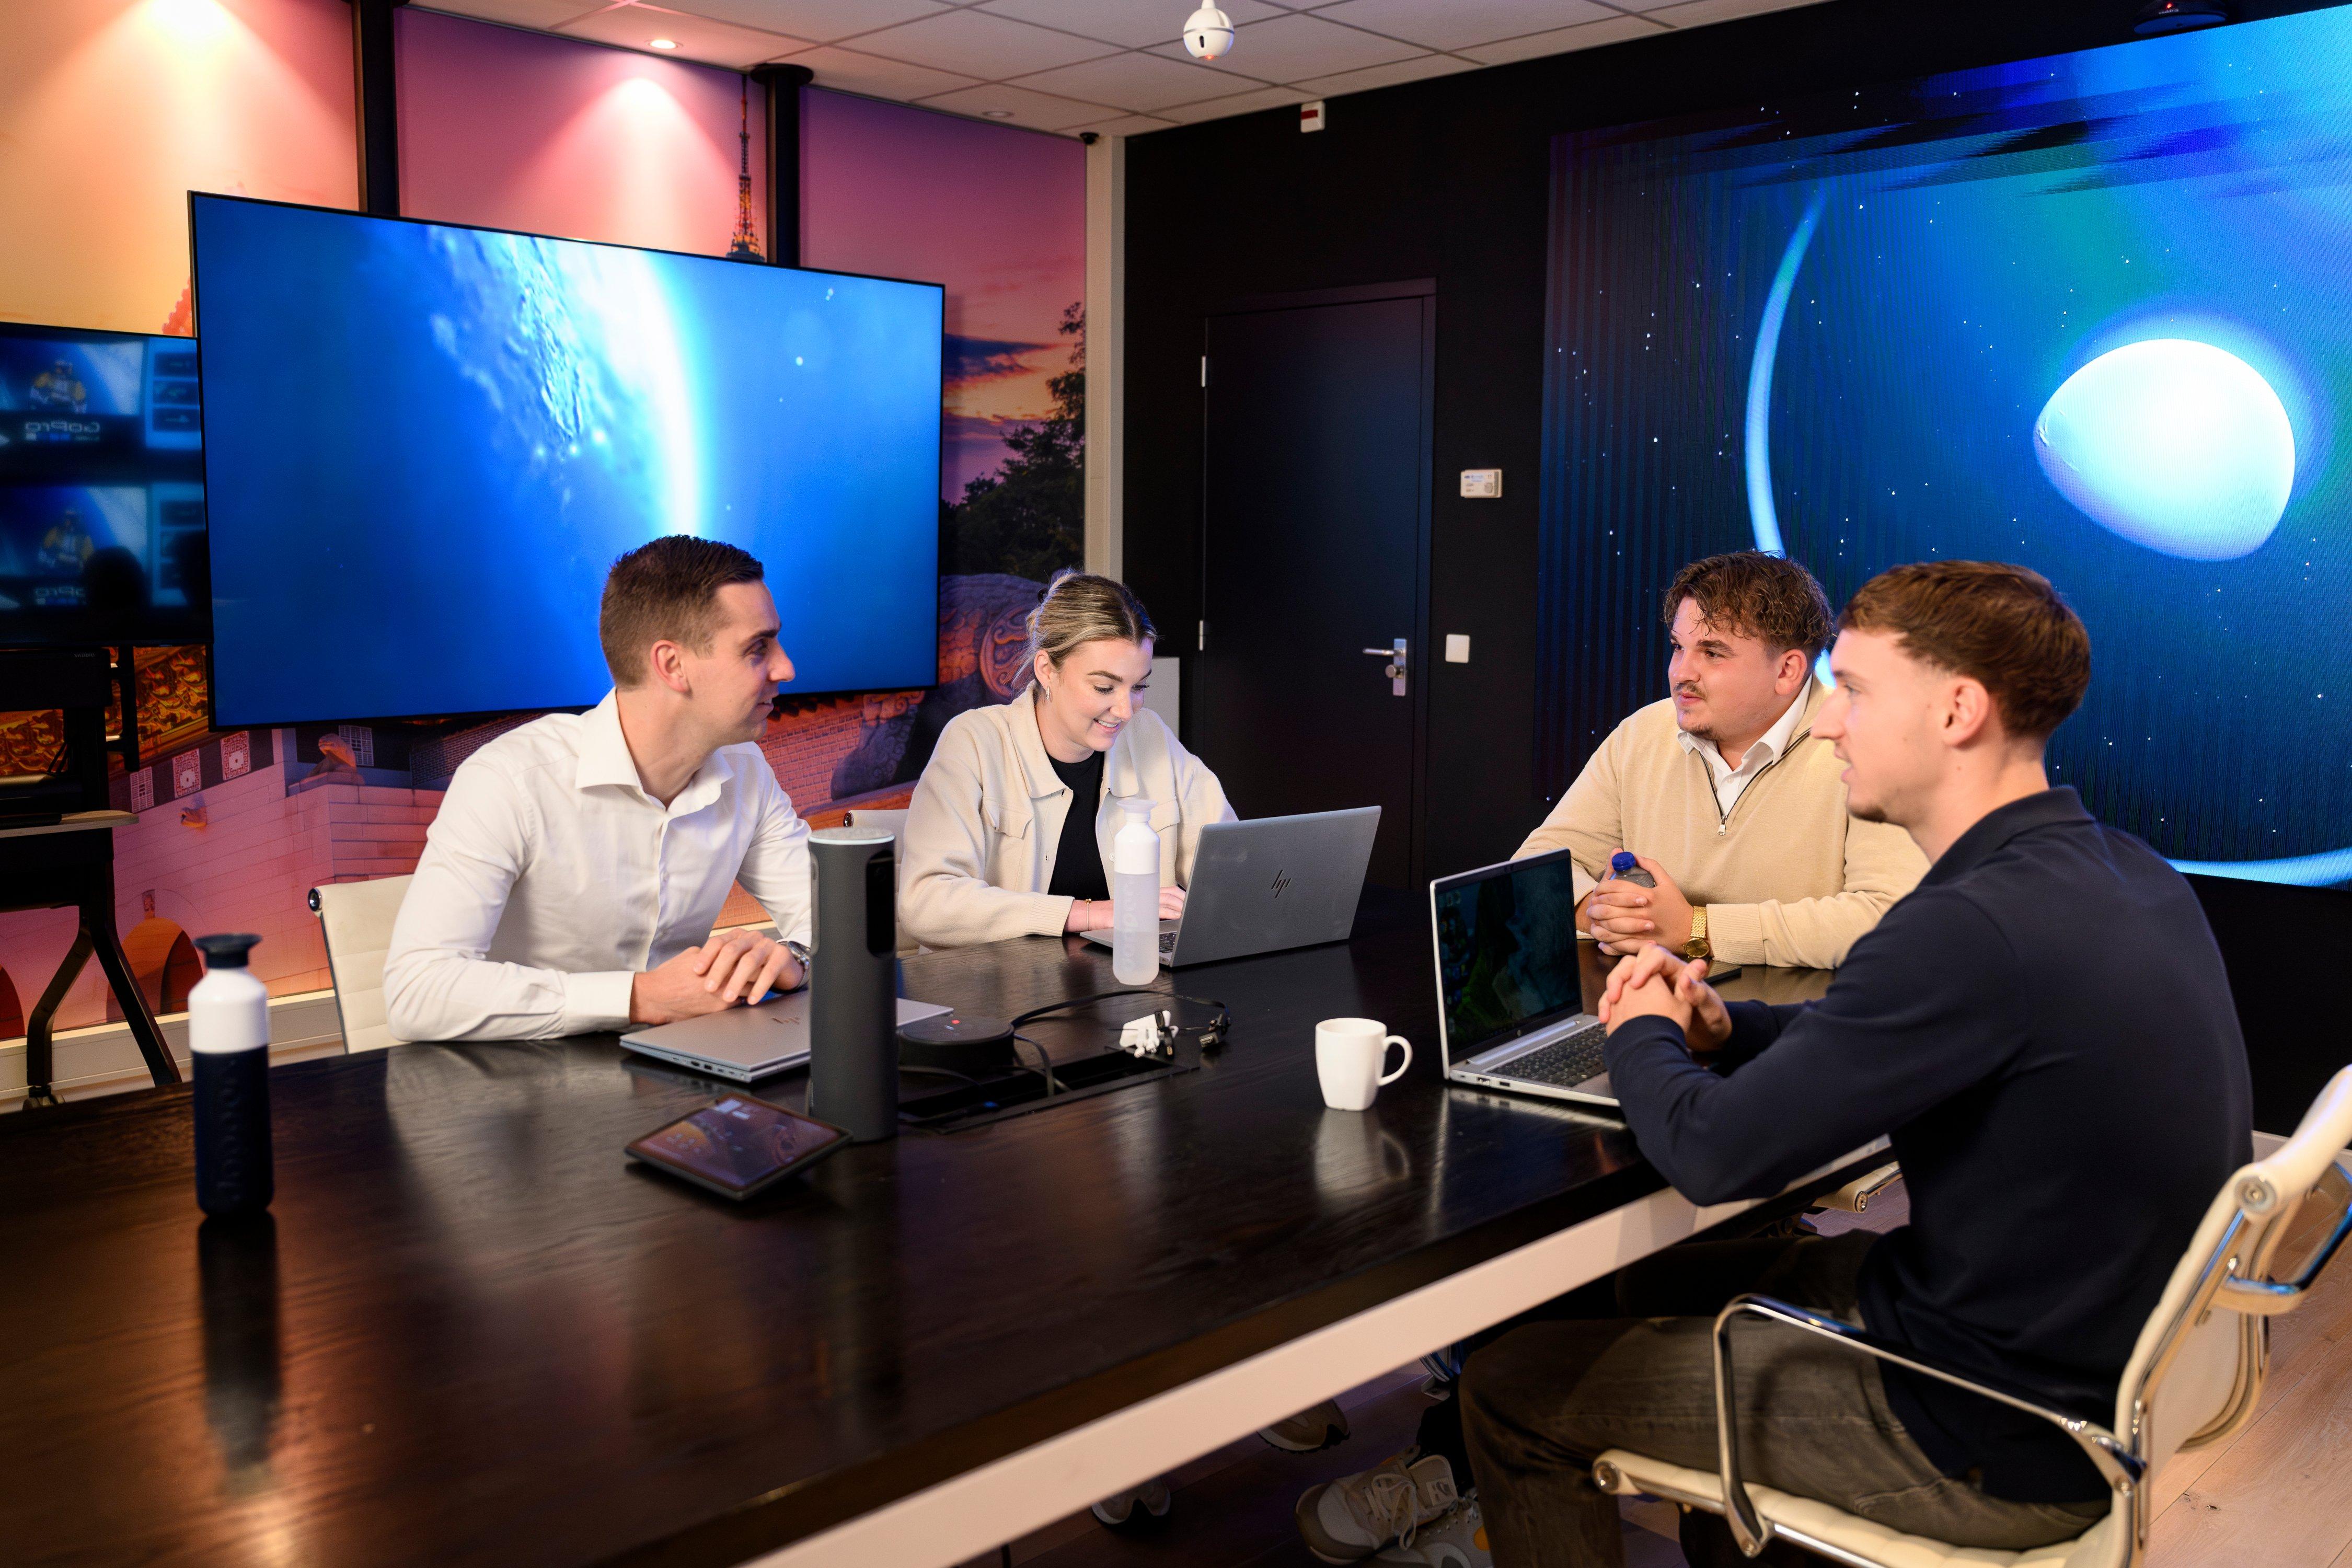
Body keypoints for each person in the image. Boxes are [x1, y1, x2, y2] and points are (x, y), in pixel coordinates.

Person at [1446, 561, 2251, 1568]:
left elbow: (1713, 1153)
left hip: (1989, 1431)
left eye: (1856, 692)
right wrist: (1719, 1027)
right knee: (1630, 1290)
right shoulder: (2119, 869)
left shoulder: (1967, 929)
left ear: (1959, 710)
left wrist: (1641, 1022)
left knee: (1513, 1389)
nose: (1828, 724)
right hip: (2065, 1359)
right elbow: (1877, 1033)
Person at [384, 537, 811, 1043]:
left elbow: (844, 921)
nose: (786, 668)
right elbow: (416, 989)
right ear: (672, 666)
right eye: (758, 648)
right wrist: (641, 997)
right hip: (522, 1099)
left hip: (685, 1079)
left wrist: (793, 959)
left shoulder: (748, 773)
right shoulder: (510, 782)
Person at [1518, 552, 1925, 971]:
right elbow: (1536, 868)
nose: (1681, 672)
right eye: (1678, 647)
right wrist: (1605, 915)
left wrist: (1696, 929)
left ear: (1787, 670)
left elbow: (1888, 919)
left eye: (1712, 653)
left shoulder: (1868, 748)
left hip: (1804, 1024)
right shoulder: (1643, 733)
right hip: (1653, 1007)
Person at [899, 571, 1233, 951]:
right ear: (1047, 670)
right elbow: (925, 903)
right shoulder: (973, 743)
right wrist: (1091, 914)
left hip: (1125, 992)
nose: (1126, 710)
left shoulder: (1149, 734)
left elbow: (1230, 862)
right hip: (998, 998)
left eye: (1139, 686)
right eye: (1104, 687)